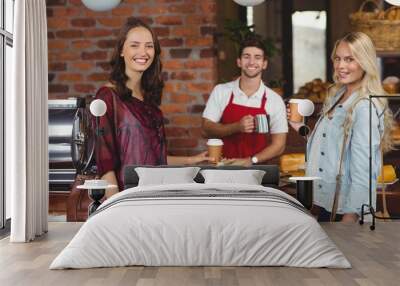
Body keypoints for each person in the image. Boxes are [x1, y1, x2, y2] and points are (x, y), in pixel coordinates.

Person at [94, 18, 209, 197]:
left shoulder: (150, 104)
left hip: (153, 195)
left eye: (149, 46)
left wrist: (191, 160)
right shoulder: (107, 97)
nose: (143, 52)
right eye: (135, 45)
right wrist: (115, 205)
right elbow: (104, 161)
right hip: (126, 198)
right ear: (121, 51)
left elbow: (154, 158)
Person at [289, 32, 394, 223]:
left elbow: (364, 168)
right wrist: (299, 127)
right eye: (337, 58)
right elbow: (328, 144)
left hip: (345, 210)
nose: (341, 66)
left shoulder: (364, 107)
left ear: (364, 62)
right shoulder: (337, 95)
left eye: (349, 59)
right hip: (326, 203)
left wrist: (350, 216)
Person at [202, 37, 288, 166]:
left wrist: (251, 161)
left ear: (264, 64)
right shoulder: (221, 91)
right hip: (223, 168)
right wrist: (236, 127)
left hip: (258, 172)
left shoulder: (274, 100)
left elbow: (279, 145)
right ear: (239, 62)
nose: (251, 62)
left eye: (257, 57)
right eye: (246, 56)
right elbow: (206, 128)